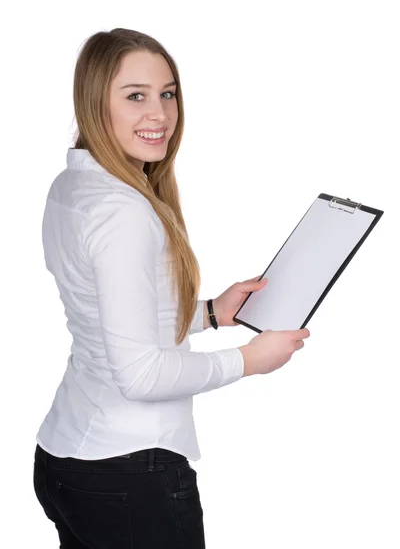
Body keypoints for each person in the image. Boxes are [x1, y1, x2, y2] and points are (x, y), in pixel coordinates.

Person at [32, 27, 311, 549]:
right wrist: (250, 358)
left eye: (168, 93)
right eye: (135, 96)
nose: (158, 114)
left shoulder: (73, 185)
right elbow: (141, 374)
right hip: (130, 476)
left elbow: (112, 316)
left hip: (65, 461)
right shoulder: (123, 212)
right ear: (95, 102)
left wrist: (209, 313)